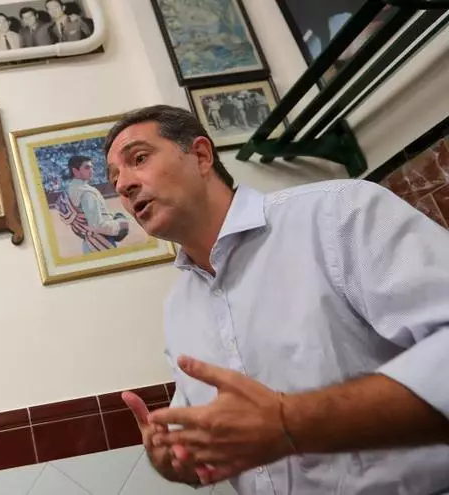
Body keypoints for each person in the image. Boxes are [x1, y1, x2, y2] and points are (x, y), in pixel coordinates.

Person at [102, 105, 449, 494]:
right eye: (114, 178)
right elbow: (207, 440)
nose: (122, 185)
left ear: (200, 156)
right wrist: (177, 457)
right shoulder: (177, 310)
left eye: (139, 159)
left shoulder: (338, 213)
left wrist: (292, 420)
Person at [57, 155, 129, 253]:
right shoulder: (87, 193)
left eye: (92, 167)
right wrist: (119, 225)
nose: (91, 171)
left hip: (88, 243)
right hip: (101, 243)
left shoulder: (67, 191)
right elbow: (97, 226)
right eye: (87, 167)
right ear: (75, 171)